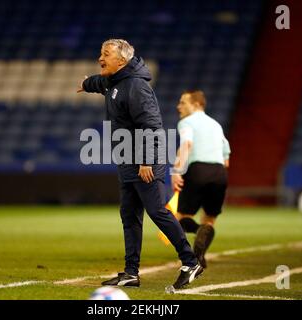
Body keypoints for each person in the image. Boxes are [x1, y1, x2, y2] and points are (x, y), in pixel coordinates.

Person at [77, 39, 203, 289]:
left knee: (157, 211)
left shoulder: (135, 86)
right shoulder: (115, 81)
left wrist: (146, 160)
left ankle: (190, 262)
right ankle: (131, 272)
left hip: (145, 161)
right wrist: (85, 83)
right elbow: (100, 83)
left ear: (121, 60)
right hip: (127, 161)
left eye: (105, 54)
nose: (100, 57)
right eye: (100, 52)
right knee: (130, 216)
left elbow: (152, 125)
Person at [171, 90, 231, 268]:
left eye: (183, 102)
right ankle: (200, 254)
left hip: (198, 170)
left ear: (196, 105)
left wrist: (176, 170)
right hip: (219, 173)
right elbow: (226, 158)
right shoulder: (216, 125)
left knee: (179, 219)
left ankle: (196, 236)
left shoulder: (186, 122)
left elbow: (187, 144)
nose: (178, 106)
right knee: (210, 219)